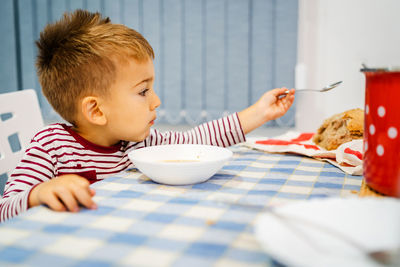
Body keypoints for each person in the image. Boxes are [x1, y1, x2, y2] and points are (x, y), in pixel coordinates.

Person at [0, 9, 295, 222]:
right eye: (143, 91)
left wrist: (259, 113)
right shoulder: (51, 145)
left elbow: (194, 140)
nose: (156, 101)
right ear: (96, 110)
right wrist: (38, 194)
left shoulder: (138, 142)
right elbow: (5, 211)